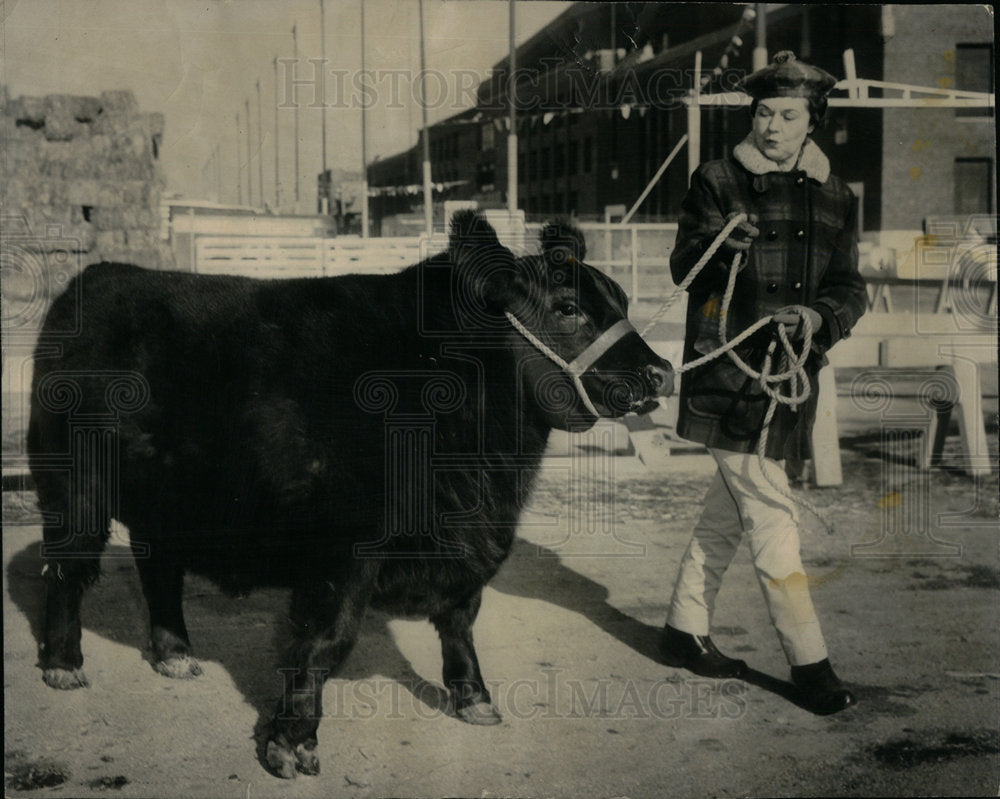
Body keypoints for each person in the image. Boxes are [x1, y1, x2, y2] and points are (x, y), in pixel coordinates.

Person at [659, 52, 868, 715]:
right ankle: (810, 664)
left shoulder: (838, 196)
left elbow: (850, 287)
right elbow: (683, 266)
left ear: (813, 122)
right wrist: (723, 243)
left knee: (728, 511)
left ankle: (682, 628)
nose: (771, 125)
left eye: (787, 114)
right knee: (774, 517)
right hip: (728, 374)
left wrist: (818, 314)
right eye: (762, 113)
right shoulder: (717, 180)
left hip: (788, 379)